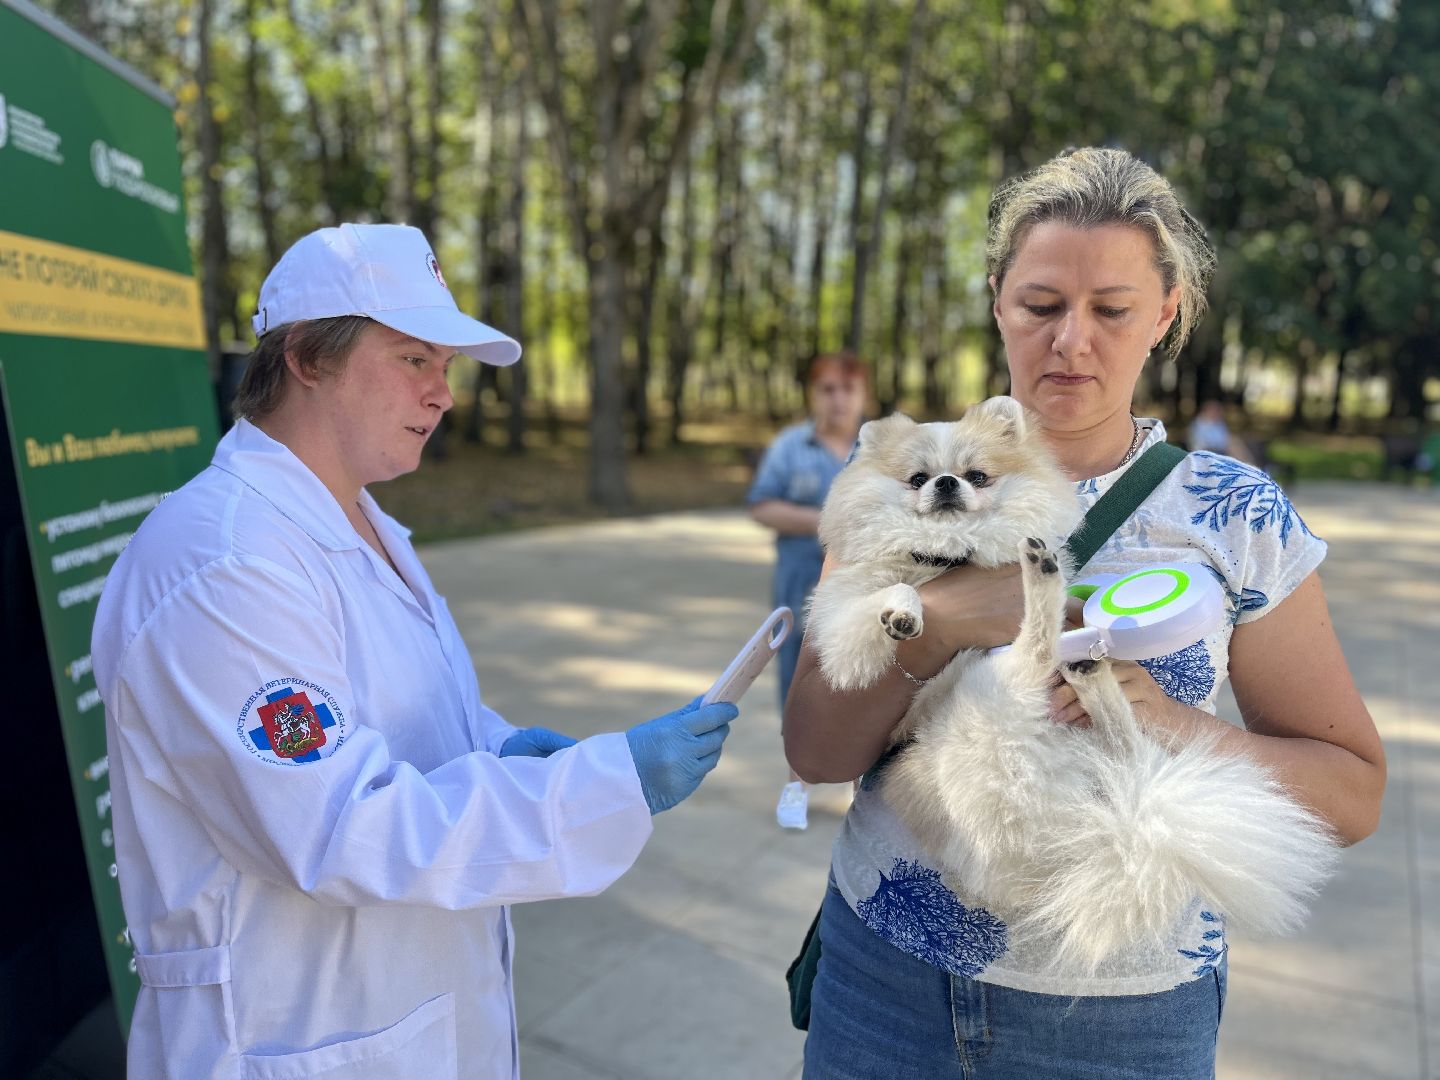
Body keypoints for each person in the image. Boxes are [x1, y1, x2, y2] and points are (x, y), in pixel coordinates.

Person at [783, 148, 1386, 1078]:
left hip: (1119, 1016)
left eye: (1111, 310)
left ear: (1165, 313)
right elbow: (815, 752)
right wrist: (936, 624)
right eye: (1040, 306)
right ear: (996, 301)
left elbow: (1351, 794)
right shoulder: (896, 486)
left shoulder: (1238, 516)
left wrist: (1170, 723)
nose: (1072, 342)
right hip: (885, 977)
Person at [90, 223, 739, 1080]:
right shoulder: (225, 562)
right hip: (290, 1029)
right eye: (413, 359)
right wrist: (601, 784)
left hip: (401, 1015)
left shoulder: (357, 522)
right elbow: (344, 826)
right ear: (306, 358)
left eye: (446, 367)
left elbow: (401, 709)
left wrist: (499, 744)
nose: (443, 394)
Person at [747, 352, 867, 829]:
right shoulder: (790, 448)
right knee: (799, 684)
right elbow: (761, 505)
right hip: (799, 582)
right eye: (827, 389)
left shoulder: (880, 446)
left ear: (864, 395)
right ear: (812, 395)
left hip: (865, 586)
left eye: (847, 389)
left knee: (868, 681)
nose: (838, 400)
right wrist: (824, 525)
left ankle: (862, 790)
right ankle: (796, 785)